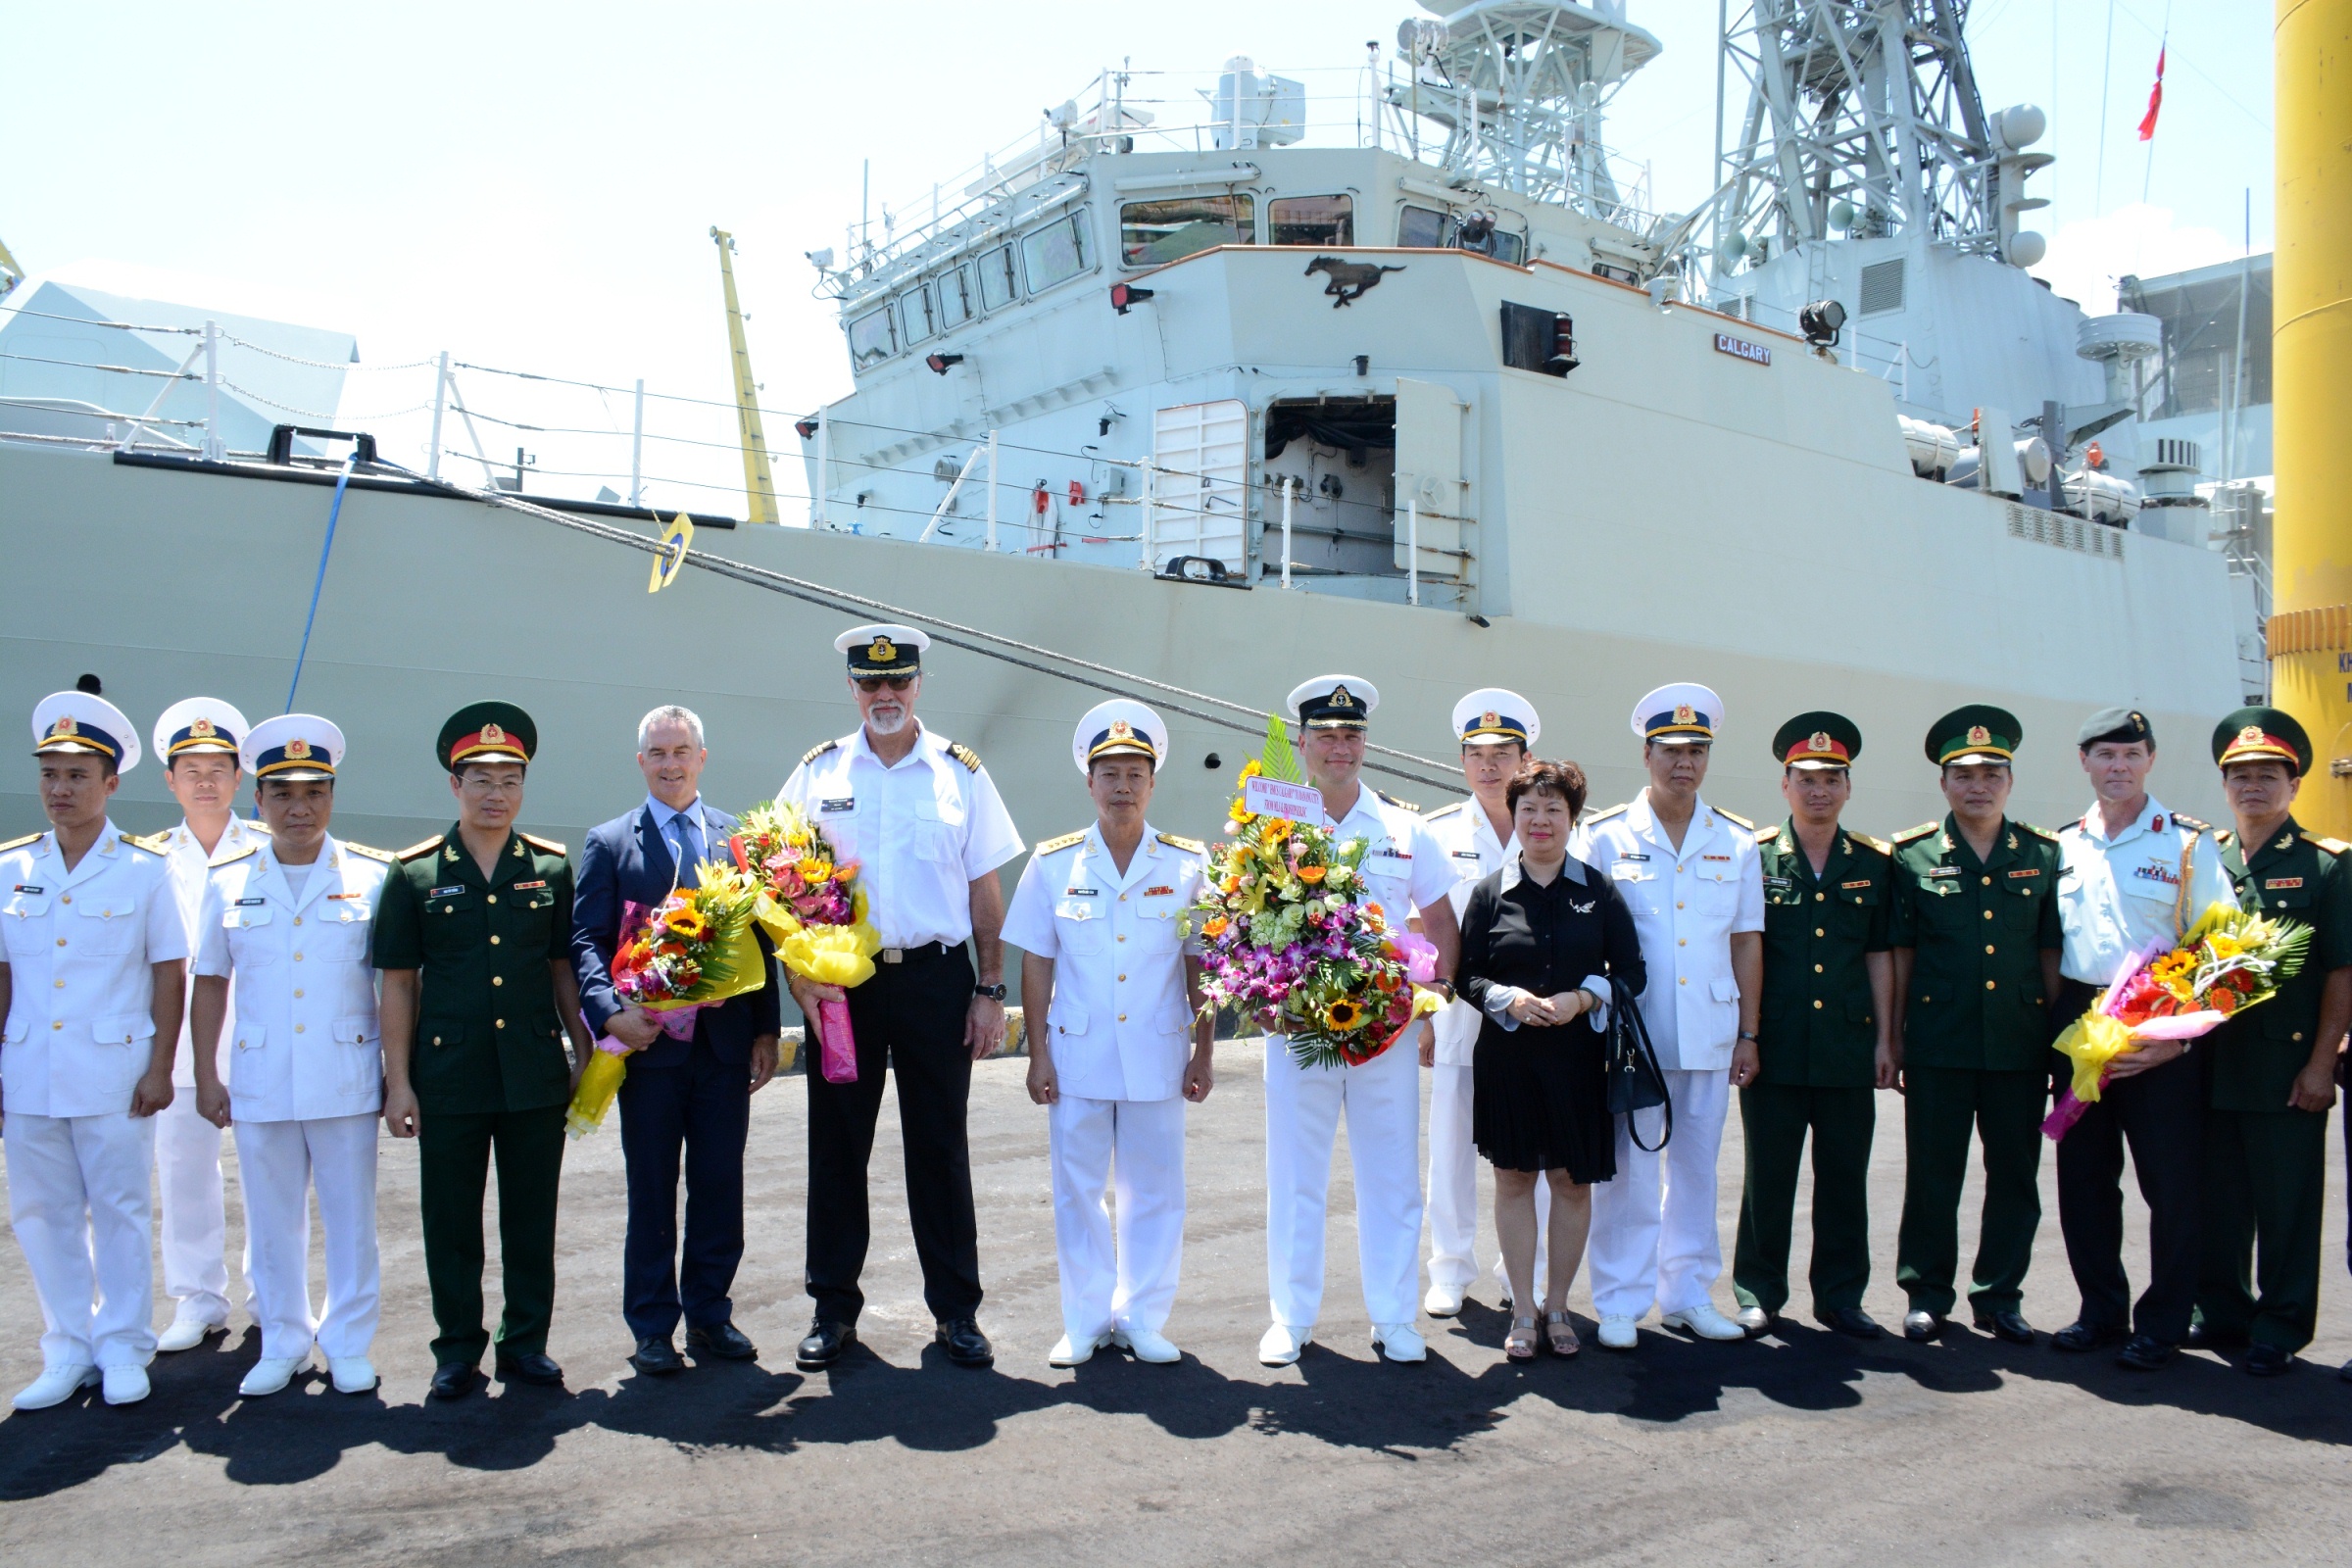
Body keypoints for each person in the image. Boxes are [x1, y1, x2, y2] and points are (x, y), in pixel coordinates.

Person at [775, 624, 1024, 1372]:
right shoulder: (817, 772)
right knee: (837, 1147)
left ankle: (956, 1313)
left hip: (936, 980)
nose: (885, 695)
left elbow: (985, 888)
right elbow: (778, 880)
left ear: (918, 685)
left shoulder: (960, 773)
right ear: (851, 687)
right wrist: (799, 978)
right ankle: (832, 1309)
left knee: (940, 1148)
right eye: (870, 683)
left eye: (898, 682)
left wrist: (989, 987)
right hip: (844, 986)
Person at [372, 702, 594, 1399]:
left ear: (522, 788)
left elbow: (563, 968)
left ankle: (525, 1343)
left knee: (531, 1218)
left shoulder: (553, 869)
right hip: (449, 1075)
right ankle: (457, 1348)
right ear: (454, 786)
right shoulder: (411, 876)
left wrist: (584, 1053)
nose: (495, 793)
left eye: (509, 780)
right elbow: (400, 984)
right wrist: (398, 1083)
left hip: (532, 1072)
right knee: (451, 1221)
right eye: (481, 780)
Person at [1003, 700, 1215, 1367]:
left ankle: (1145, 1317)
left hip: (1158, 1050)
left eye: (1134, 774)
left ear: (1153, 785)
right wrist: (1037, 1054)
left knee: (1156, 1191)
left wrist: (1204, 1050)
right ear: (1088, 783)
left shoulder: (1187, 864)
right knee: (1078, 1193)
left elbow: (1200, 965)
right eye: (1109, 774)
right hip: (1077, 1052)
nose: (1122, 786)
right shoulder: (1052, 862)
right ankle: (1086, 1320)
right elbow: (1036, 960)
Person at [572, 705, 782, 1377]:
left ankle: (712, 1315)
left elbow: (764, 937)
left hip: (723, 1049)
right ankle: (653, 1326)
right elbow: (586, 941)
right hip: (651, 1050)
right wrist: (610, 1014)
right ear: (641, 763)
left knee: (720, 1185)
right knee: (653, 1190)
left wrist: (765, 1029)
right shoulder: (611, 842)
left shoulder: (739, 839)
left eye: (681, 751)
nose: (670, 764)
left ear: (702, 757)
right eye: (657, 753)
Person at [188, 714, 393, 1397]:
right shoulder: (227, 880)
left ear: (331, 798)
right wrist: (204, 1076)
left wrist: (400, 1078)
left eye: (313, 792)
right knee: (271, 1222)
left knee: (350, 1221)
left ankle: (348, 1341)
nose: (298, 808)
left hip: (344, 1077)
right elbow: (210, 983)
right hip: (260, 1078)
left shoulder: (372, 877)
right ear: (259, 802)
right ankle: (282, 1339)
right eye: (282, 794)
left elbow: (396, 985)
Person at [1258, 674, 1459, 1368]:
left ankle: (1395, 1319)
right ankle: (1291, 1318)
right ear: (1306, 744)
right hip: (1298, 1032)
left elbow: (1439, 922)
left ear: (1364, 744)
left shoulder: (1406, 827)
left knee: (1392, 1178)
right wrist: (1263, 997)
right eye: (1326, 736)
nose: (1338, 748)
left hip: (1388, 1034)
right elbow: (1242, 921)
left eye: (1351, 736)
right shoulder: (1273, 824)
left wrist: (1432, 1001)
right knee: (1295, 1177)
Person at [1, 691, 187, 1409]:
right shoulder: (11, 869)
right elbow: (3, 975)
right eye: (50, 773)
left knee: (120, 1208)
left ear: (110, 784)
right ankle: (67, 1347)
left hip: (116, 1070)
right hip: (28, 1072)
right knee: (41, 1213)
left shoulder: (143, 871)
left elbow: (168, 972)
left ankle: (123, 1345)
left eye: (78, 775)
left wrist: (161, 1067)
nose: (60, 789)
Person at [1568, 682, 1763, 1350]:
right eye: (1673, 750)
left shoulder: (1736, 842)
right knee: (1627, 1173)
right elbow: (1584, 937)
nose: (1686, 762)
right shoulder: (1604, 836)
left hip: (1710, 1033)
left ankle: (1687, 1296)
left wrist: (1749, 1033)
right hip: (1633, 1035)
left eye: (1697, 751)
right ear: (1647, 754)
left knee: (1697, 1172)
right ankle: (1620, 1301)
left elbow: (1744, 941)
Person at [2048, 707, 2233, 1370]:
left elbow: (2226, 951)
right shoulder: (2064, 844)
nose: (2118, 767)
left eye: (2131, 755)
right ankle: (2100, 1312)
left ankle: (2162, 1323)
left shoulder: (2185, 844)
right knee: (2085, 1181)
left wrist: (2179, 1042)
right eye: (2105, 755)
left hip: (2161, 1031)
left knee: (2172, 1186)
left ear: (2150, 760)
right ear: (2085, 763)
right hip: (2081, 1026)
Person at [1454, 758, 1643, 1359]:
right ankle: (1524, 1307)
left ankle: (1559, 1304)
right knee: (1513, 1177)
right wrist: (1508, 997)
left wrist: (1583, 997)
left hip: (1579, 1059)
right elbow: (1466, 977)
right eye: (1529, 809)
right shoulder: (1490, 893)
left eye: (1553, 809)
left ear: (1572, 818)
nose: (1540, 821)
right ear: (1514, 817)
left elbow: (1633, 974)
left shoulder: (1598, 890)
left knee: (1571, 1180)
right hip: (1508, 1058)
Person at [1887, 705, 2063, 1346]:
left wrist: (2056, 1042)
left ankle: (2000, 1295)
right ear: (1943, 784)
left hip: (2019, 1042)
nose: (1978, 784)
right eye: (1964, 774)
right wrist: (1895, 1037)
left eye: (1992, 772)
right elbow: (1902, 956)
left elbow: (2050, 955)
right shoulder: (1911, 857)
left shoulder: (2042, 855)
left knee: (2014, 1175)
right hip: (1939, 1041)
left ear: (2009, 781)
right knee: (1934, 1173)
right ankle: (1927, 1294)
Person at [2190, 708, 2352, 1377]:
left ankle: (2280, 1326)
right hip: (2207, 1064)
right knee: (2217, 1200)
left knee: (2285, 1205)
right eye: (2240, 776)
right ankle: (2222, 1310)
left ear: (2292, 785)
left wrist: (2321, 1065)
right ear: (2225, 786)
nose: (2252, 786)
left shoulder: (2327, 867)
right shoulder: (2202, 859)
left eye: (2267, 775)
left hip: (2286, 1066)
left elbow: (2343, 973)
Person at [1733, 712, 1895, 1340]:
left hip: (1848, 1048)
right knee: (1766, 1178)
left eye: (1831, 779)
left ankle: (1840, 1296)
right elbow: (1744, 945)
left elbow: (1881, 956)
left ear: (1848, 787)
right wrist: (1745, 1034)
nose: (1819, 790)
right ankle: (1759, 1293)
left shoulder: (1877, 863)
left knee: (1844, 1179)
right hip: (1773, 1045)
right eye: (1806, 779)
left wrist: (1887, 1040)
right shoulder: (1756, 856)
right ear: (1785, 785)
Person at [149, 696, 268, 1354]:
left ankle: (269, 1297)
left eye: (217, 769)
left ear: (237, 778)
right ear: (169, 780)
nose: (204, 781)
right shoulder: (147, 860)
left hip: (251, 1041)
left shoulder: (269, 851)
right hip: (176, 1051)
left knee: (266, 1181)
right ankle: (197, 1300)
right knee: (183, 1174)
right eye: (189, 769)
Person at [1420, 688, 1541, 1319]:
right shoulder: (1437, 833)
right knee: (1451, 1147)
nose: (1489, 766)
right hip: (1458, 1016)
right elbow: (1422, 929)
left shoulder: (1553, 826)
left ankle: (1526, 1271)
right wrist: (1423, 1016)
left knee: (1533, 1151)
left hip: (1538, 1020)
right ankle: (1450, 1268)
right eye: (1477, 754)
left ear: (1526, 758)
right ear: (1463, 761)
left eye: (1503, 753)